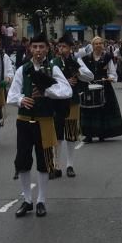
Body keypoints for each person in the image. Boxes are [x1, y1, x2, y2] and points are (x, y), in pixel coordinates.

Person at [6, 32, 72, 218]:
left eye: (41, 47)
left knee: (44, 162)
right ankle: (27, 200)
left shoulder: (52, 68)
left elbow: (66, 90)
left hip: (44, 120)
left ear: (47, 49)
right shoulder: (23, 69)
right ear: (30, 49)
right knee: (23, 161)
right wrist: (21, 100)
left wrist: (47, 91)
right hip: (24, 121)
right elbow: (11, 95)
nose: (38, 50)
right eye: (34, 47)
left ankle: (41, 200)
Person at [50, 34, 93, 178]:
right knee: (57, 134)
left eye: (64, 47)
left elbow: (90, 76)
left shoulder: (76, 60)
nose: (61, 49)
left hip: (73, 101)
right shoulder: (53, 62)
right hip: (57, 102)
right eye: (59, 46)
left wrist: (78, 72)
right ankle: (57, 165)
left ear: (70, 48)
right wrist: (65, 81)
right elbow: (48, 81)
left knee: (71, 133)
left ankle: (70, 165)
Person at [80, 36, 122, 142]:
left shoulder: (107, 57)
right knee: (88, 110)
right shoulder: (86, 59)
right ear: (92, 45)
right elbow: (82, 72)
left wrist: (111, 78)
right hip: (90, 86)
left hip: (104, 86)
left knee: (104, 109)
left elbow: (112, 72)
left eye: (100, 43)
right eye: (96, 44)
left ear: (103, 45)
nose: (98, 45)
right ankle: (89, 135)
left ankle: (102, 133)